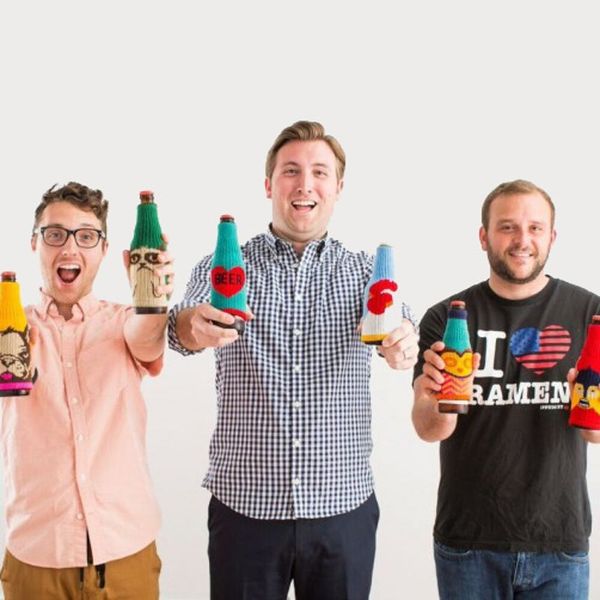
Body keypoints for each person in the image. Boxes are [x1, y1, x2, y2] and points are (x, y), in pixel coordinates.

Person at [169, 120, 419, 600]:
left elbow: (402, 329)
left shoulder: (365, 271)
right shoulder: (226, 266)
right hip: (246, 508)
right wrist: (190, 326)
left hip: (342, 508)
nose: (305, 184)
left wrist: (404, 344)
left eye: (319, 172)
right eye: (291, 171)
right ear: (269, 185)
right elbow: (180, 330)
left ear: (338, 188)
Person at [413, 179, 600, 600]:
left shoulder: (591, 314)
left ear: (552, 237)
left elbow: (596, 435)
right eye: (507, 227)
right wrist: (441, 395)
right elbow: (428, 430)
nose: (522, 240)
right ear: (484, 236)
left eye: (535, 228)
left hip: (559, 543)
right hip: (469, 543)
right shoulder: (447, 317)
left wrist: (590, 406)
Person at [0, 182, 174, 599]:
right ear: (35, 243)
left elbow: (147, 337)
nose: (69, 247)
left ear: (105, 250)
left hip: (126, 554)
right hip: (36, 560)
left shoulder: (123, 321)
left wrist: (153, 297)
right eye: (55, 234)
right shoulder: (10, 328)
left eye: (86, 236)